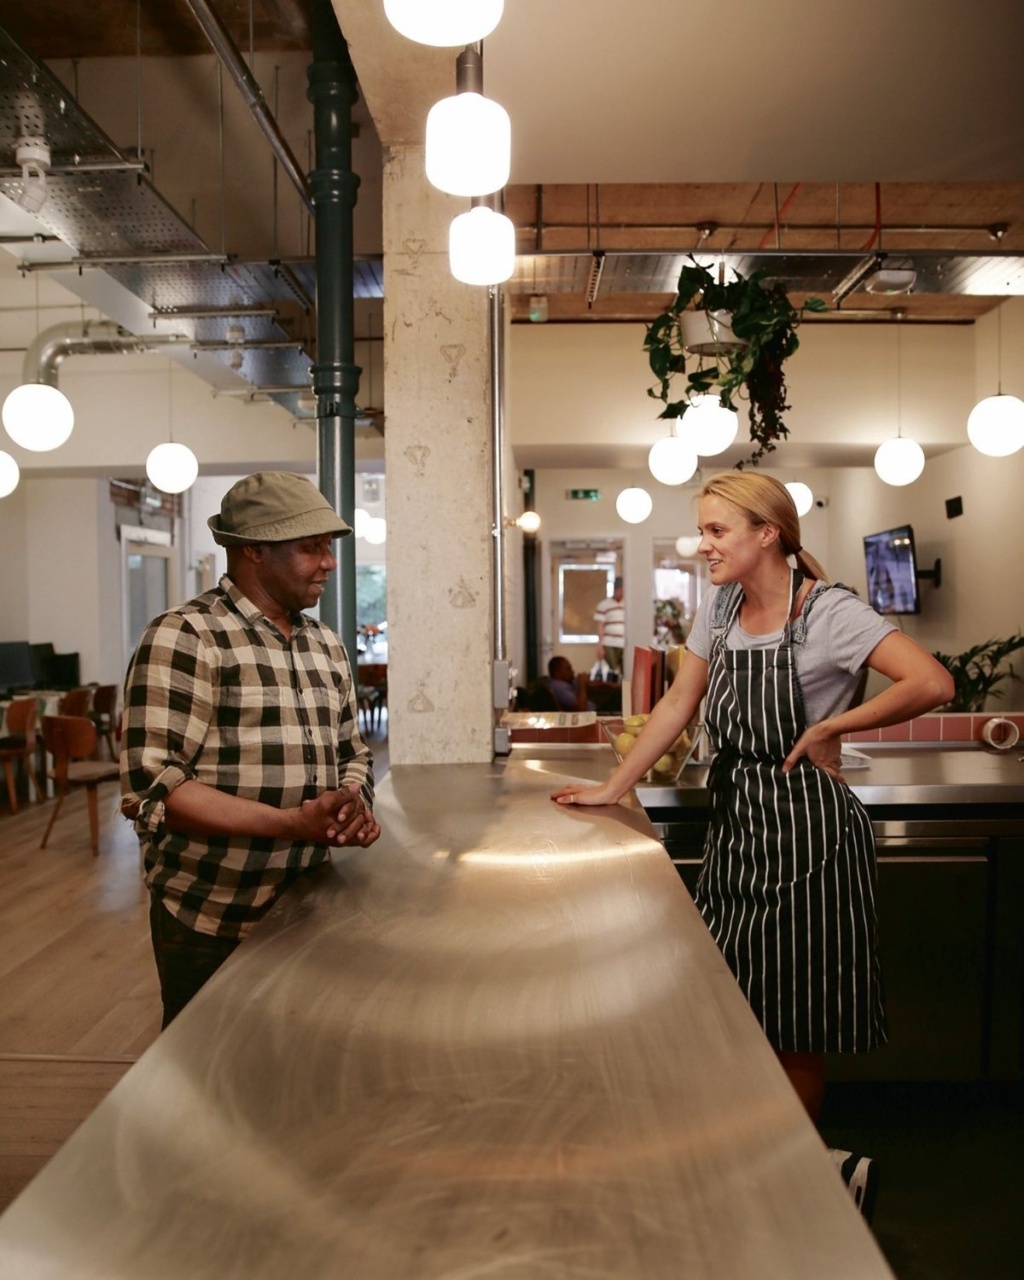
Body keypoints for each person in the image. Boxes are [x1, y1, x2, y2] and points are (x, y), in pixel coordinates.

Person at [552, 471, 953, 1125]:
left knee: (796, 1018)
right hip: (738, 828)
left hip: (811, 839)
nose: (702, 545)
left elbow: (933, 682)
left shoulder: (829, 612)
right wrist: (613, 788)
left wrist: (831, 726)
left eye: (716, 530)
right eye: (701, 530)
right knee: (729, 1001)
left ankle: (800, 1176)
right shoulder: (721, 608)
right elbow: (680, 701)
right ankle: (745, 1154)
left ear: (768, 534)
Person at [121, 472, 381, 1028]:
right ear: (255, 551)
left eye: (329, 547)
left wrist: (353, 804)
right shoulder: (187, 636)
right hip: (212, 917)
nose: (328, 563)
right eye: (311, 548)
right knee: (207, 1087)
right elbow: (156, 785)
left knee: (295, 1073)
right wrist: (291, 823)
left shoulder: (325, 644)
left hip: (310, 909)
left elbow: (352, 752)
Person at [594, 575, 625, 675]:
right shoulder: (604, 605)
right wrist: (600, 645)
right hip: (609, 643)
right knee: (613, 670)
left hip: (624, 643)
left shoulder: (628, 604)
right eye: (620, 589)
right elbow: (600, 626)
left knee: (626, 671)